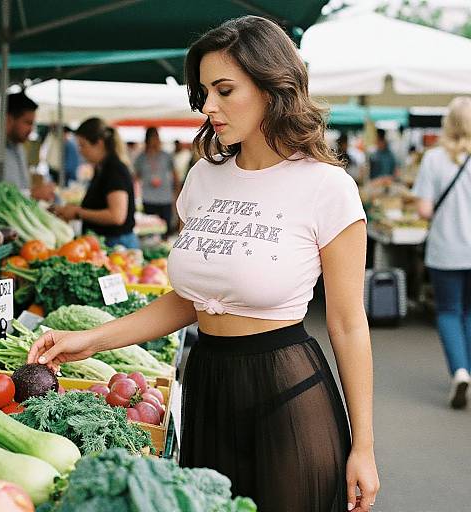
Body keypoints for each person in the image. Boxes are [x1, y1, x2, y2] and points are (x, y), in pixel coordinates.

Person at [27, 16, 379, 512]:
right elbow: (192, 301)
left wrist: (363, 447)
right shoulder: (203, 179)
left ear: (271, 86)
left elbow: (347, 323)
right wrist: (90, 340)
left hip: (288, 391)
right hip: (206, 382)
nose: (208, 105)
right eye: (204, 91)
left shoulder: (327, 187)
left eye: (225, 89)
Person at [412, 97, 471, 409]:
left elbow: (423, 208)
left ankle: (460, 371)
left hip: (447, 248)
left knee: (449, 310)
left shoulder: (434, 159)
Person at [54, 118, 139, 249]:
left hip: (116, 245)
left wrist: (78, 212)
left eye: (83, 145)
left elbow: (117, 216)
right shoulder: (102, 168)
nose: (80, 151)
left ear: (99, 144)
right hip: (108, 242)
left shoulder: (114, 169)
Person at [134, 127, 180, 238]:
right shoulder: (141, 157)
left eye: (156, 137)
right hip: (149, 198)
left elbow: (175, 176)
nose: (155, 140)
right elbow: (136, 177)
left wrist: (177, 195)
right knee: (150, 230)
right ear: (147, 140)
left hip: (165, 198)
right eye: (152, 137)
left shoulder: (166, 156)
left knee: (166, 231)